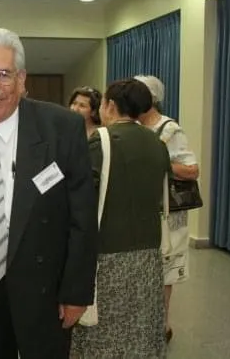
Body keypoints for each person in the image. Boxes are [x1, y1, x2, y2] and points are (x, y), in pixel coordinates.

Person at [0, 28, 98, 359]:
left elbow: (82, 218)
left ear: (22, 78)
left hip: (43, 286)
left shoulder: (61, 129)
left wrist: (76, 292)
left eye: (4, 75)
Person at [71, 78, 170, 358]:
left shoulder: (101, 143)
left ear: (109, 106)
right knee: (139, 328)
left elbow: (79, 196)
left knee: (103, 333)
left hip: (108, 254)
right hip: (148, 253)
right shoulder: (157, 142)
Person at [135, 74, 199, 342]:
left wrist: (158, 161)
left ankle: (163, 323)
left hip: (166, 212)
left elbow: (191, 170)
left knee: (165, 268)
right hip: (140, 208)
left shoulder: (169, 129)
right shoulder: (133, 126)